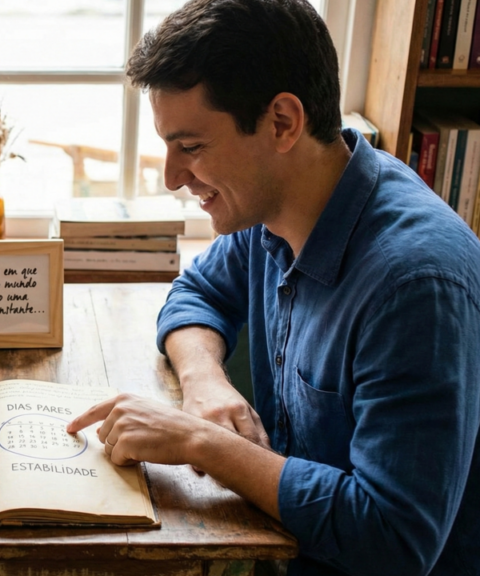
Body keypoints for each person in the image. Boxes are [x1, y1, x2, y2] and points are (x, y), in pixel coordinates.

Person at [67, 0, 480, 574]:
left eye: (191, 147)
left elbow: (394, 539)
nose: (171, 179)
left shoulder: (415, 285)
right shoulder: (272, 209)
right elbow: (196, 295)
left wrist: (200, 442)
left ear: (282, 123)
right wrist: (205, 380)